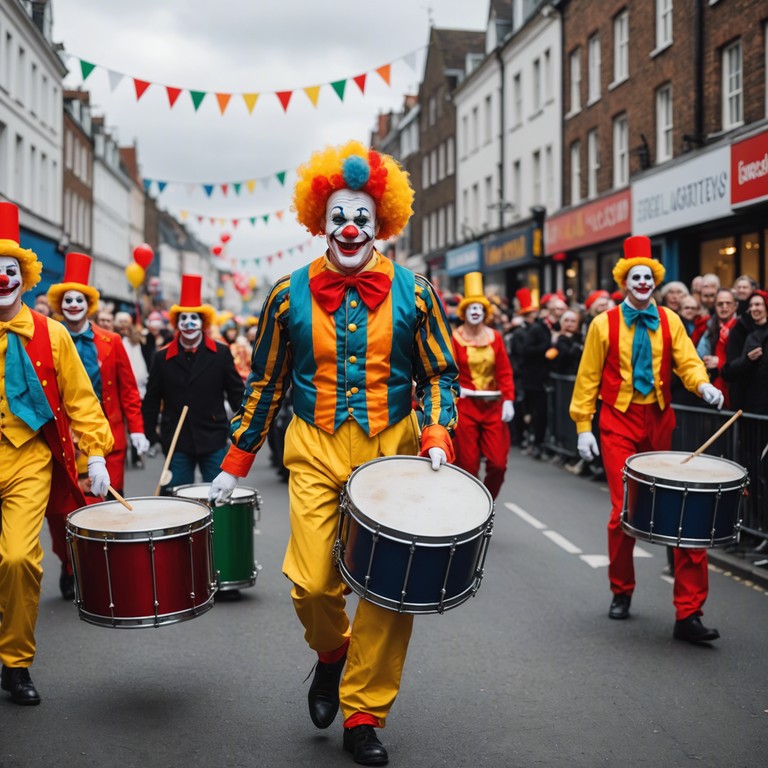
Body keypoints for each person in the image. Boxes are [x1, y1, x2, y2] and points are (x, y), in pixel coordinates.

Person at [208, 140, 458, 766]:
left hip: (392, 454)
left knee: (386, 591)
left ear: (381, 223)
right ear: (321, 221)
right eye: (340, 217)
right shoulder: (287, 295)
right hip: (314, 447)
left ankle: (365, 713)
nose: (350, 228)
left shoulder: (417, 293)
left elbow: (438, 375)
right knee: (314, 583)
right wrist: (235, 462)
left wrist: (434, 434)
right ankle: (331, 655)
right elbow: (263, 382)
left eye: (362, 218)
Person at [570, 234, 726, 645]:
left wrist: (702, 385)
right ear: (625, 281)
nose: (642, 282)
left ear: (654, 281)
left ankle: (688, 613)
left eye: (648, 277)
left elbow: (688, 362)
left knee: (683, 512)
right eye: (635, 276)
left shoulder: (671, 321)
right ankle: (621, 590)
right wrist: (583, 426)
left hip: (658, 421)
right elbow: (587, 380)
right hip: (618, 422)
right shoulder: (603, 324)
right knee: (625, 509)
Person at [0, 202, 113, 704]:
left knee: (20, 558)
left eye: (9, 270)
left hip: (29, 459)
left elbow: (80, 399)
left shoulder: (52, 334)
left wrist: (96, 454)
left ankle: (15, 662)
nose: (2, 279)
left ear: (22, 277)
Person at [46, 253, 150, 598]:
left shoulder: (112, 342)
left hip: (108, 441)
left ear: (89, 304)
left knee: (102, 510)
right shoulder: (47, 339)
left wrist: (137, 430)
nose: (73, 305)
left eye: (79, 299)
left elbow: (128, 393)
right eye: (67, 300)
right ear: (60, 305)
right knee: (62, 513)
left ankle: (100, 573)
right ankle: (68, 562)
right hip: (62, 442)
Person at [142, 274, 244, 492]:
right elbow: (151, 399)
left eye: (194, 318)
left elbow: (236, 394)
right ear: (176, 323)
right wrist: (151, 435)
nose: (188, 323)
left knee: (218, 498)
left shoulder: (221, 354)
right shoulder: (161, 358)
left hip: (213, 438)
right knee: (179, 502)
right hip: (177, 441)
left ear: (203, 322)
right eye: (183, 319)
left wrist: (244, 427)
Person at [451, 271, 515, 500]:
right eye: (471, 308)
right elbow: (447, 373)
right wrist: (458, 390)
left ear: (485, 312)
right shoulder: (455, 338)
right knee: (467, 465)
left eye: (479, 308)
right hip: (466, 407)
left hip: (492, 406)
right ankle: (469, 506)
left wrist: (508, 399)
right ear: (464, 312)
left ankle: (485, 501)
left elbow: (504, 371)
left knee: (498, 463)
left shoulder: (494, 337)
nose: (476, 312)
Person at [721, 290, 768, 414]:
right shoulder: (739, 330)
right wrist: (747, 360)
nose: (754, 309)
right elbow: (727, 371)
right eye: (751, 305)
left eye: (758, 304)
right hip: (746, 402)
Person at [697, 289, 738, 408]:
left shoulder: (742, 327)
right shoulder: (709, 326)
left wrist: (720, 362)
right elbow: (698, 355)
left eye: (728, 303)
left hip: (734, 390)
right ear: (715, 306)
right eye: (720, 304)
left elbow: (743, 361)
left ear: (735, 306)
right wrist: (705, 360)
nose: (724, 307)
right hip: (713, 387)